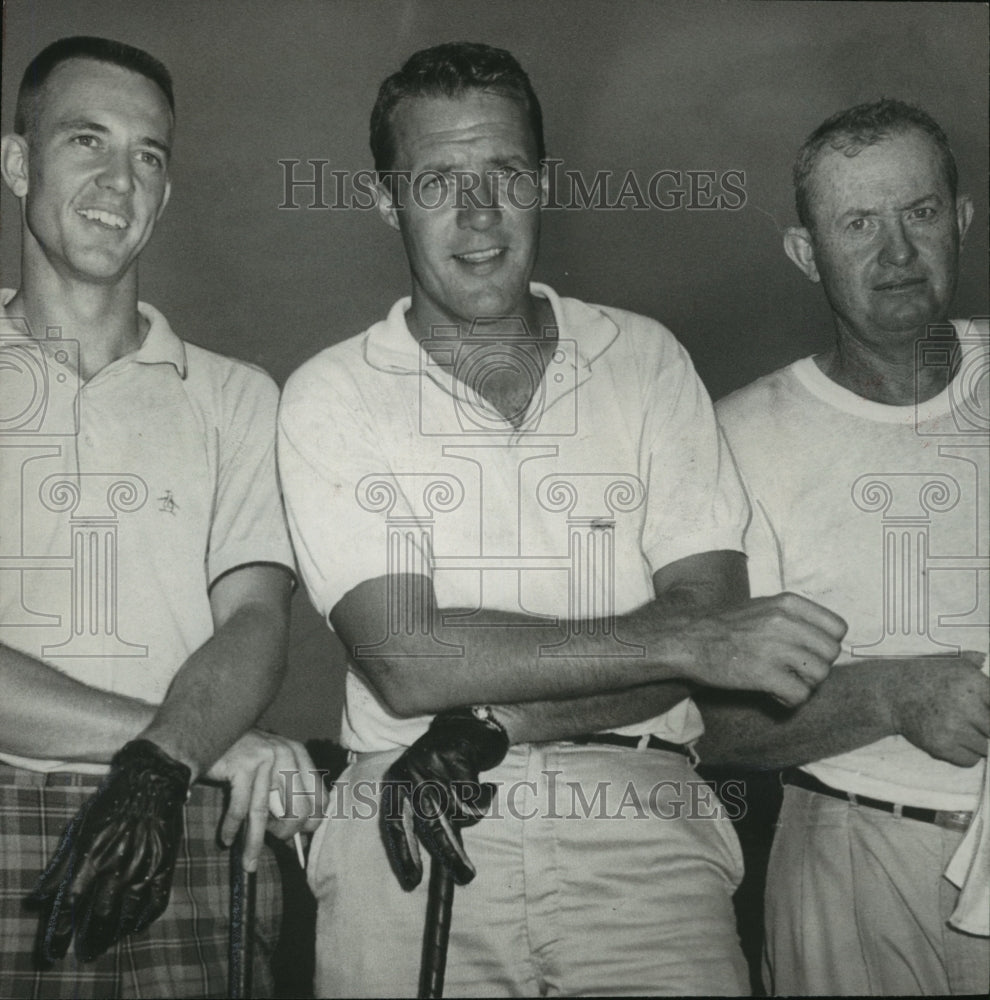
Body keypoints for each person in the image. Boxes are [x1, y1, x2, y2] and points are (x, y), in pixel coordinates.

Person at [278, 41, 846, 997]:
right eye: (438, 181)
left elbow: (715, 626)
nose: (478, 214)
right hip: (411, 816)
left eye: (504, 173)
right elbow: (412, 660)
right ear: (385, 200)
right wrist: (677, 641)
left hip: (643, 819)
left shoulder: (646, 360)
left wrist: (495, 715)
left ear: (542, 182)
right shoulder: (330, 392)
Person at [0, 36, 315, 998]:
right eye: (85, 140)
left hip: (188, 823)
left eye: (148, 155)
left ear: (165, 193)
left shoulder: (237, 396)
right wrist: (170, 747)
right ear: (17, 162)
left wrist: (165, 768)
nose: (119, 178)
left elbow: (257, 622)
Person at [698, 99, 989, 995]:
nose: (897, 253)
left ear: (964, 220)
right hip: (855, 858)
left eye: (921, 213)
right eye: (858, 223)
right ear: (804, 253)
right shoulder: (740, 439)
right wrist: (896, 695)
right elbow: (715, 724)